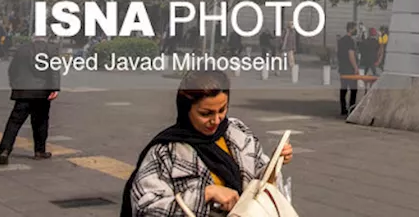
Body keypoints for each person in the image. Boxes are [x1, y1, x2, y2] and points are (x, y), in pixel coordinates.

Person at [122, 69, 294, 216]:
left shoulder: (237, 132)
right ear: (186, 109)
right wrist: (205, 194)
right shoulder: (166, 151)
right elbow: (145, 209)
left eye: (222, 110)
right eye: (206, 113)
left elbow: (259, 185)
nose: (216, 120)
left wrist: (273, 165)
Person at [0, 37, 61, 165]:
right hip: (42, 92)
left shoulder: (22, 49)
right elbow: (54, 70)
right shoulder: (51, 49)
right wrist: (55, 88)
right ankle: (39, 151)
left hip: (23, 91)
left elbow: (12, 69)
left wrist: (14, 84)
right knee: (41, 122)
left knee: (14, 122)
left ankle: (4, 150)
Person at [337, 21, 359, 117]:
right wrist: (355, 67)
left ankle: (343, 108)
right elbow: (351, 55)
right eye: (355, 28)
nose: (356, 30)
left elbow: (338, 53)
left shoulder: (341, 40)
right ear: (350, 29)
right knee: (353, 89)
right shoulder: (350, 41)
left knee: (343, 89)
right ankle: (352, 108)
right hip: (349, 69)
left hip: (342, 68)